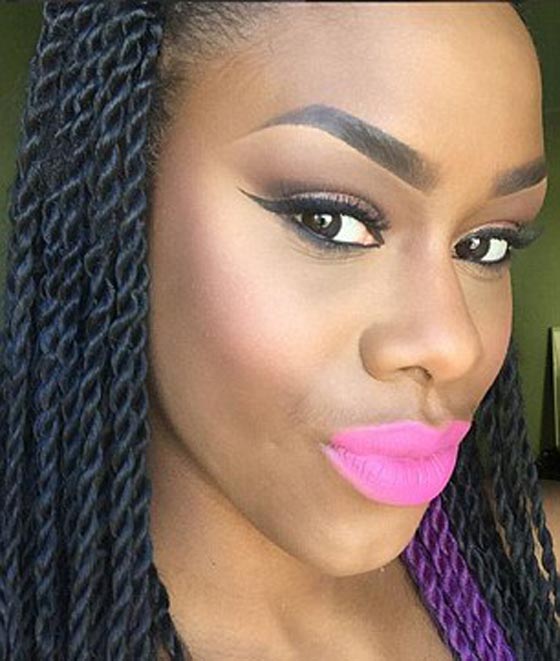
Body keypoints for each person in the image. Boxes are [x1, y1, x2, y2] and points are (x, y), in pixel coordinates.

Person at [0, 1, 558, 659]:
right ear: (113, 195)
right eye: (331, 221)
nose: (453, 344)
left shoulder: (535, 574)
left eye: (486, 244)